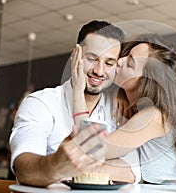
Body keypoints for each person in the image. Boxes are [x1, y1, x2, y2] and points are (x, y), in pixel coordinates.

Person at [9, 20, 140, 187]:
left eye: (109, 63)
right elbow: (24, 168)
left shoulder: (119, 107)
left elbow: (132, 171)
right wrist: (54, 165)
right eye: (92, 58)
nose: (99, 71)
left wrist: (73, 170)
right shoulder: (41, 103)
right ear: (75, 56)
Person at [73, 33, 176, 184]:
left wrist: (77, 89)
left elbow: (90, 150)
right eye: (127, 55)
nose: (120, 61)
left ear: (146, 83)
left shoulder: (153, 117)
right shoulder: (145, 110)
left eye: (130, 64)